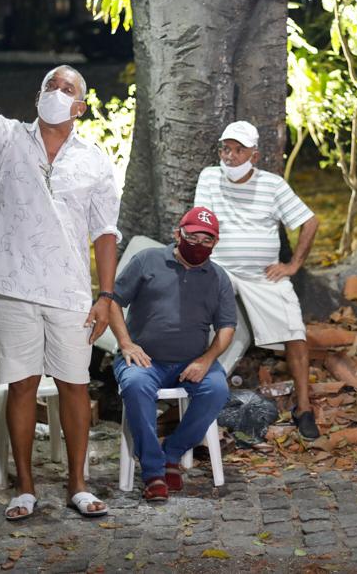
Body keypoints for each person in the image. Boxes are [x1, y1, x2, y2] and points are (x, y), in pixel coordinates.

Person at [0, 9, 120, 520]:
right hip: (14, 285)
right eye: (50, 84)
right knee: (23, 384)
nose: (57, 88)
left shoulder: (95, 161)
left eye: (67, 85)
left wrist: (107, 295)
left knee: (76, 385)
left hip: (71, 290)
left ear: (81, 105)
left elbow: (105, 235)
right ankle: (25, 486)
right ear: (38, 99)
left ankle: (78, 482)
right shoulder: (9, 140)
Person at [193, 120, 321, 439]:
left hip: (264, 277)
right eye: (226, 149)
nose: (231, 156)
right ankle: (202, 404)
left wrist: (293, 265)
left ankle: (304, 407)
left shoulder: (272, 185)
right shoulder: (209, 177)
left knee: (295, 330)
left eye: (239, 150)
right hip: (220, 270)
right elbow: (200, 222)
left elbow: (309, 222)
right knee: (202, 326)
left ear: (255, 155)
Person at [108, 207, 235, 501]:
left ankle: (172, 453)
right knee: (136, 385)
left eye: (207, 240)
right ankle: (153, 471)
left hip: (192, 361)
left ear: (215, 243)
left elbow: (227, 327)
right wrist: (126, 343)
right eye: (193, 237)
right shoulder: (147, 260)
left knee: (217, 390)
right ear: (178, 234)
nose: (199, 245)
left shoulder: (218, 277)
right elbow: (113, 301)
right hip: (144, 360)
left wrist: (206, 360)